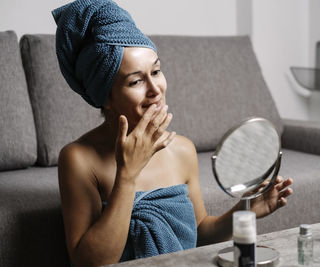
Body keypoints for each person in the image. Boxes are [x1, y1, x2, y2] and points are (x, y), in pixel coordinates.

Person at [53, 0, 293, 266]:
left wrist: (245, 210)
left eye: (156, 71)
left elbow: (199, 233)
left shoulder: (182, 150)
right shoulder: (79, 159)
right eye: (135, 81)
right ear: (105, 96)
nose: (156, 89)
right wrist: (128, 175)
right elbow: (88, 262)